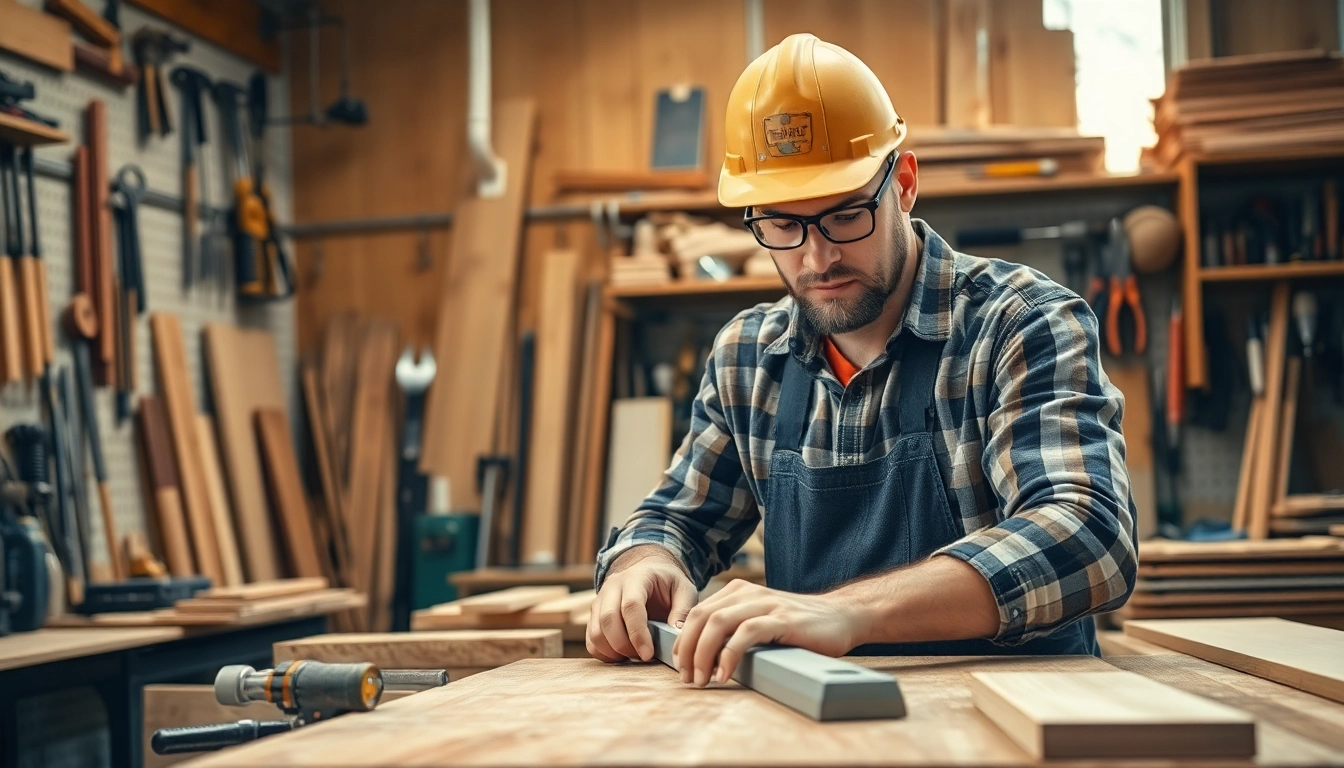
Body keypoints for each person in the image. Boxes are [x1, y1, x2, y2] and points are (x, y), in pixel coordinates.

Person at [587, 33, 1137, 687]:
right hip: (823, 728)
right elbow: (677, 517)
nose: (816, 258)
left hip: (1021, 723)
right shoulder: (747, 357)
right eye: (782, 225)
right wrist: (643, 563)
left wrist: (847, 613)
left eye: (845, 216)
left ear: (903, 184)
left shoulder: (1018, 322)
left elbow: (1089, 535)